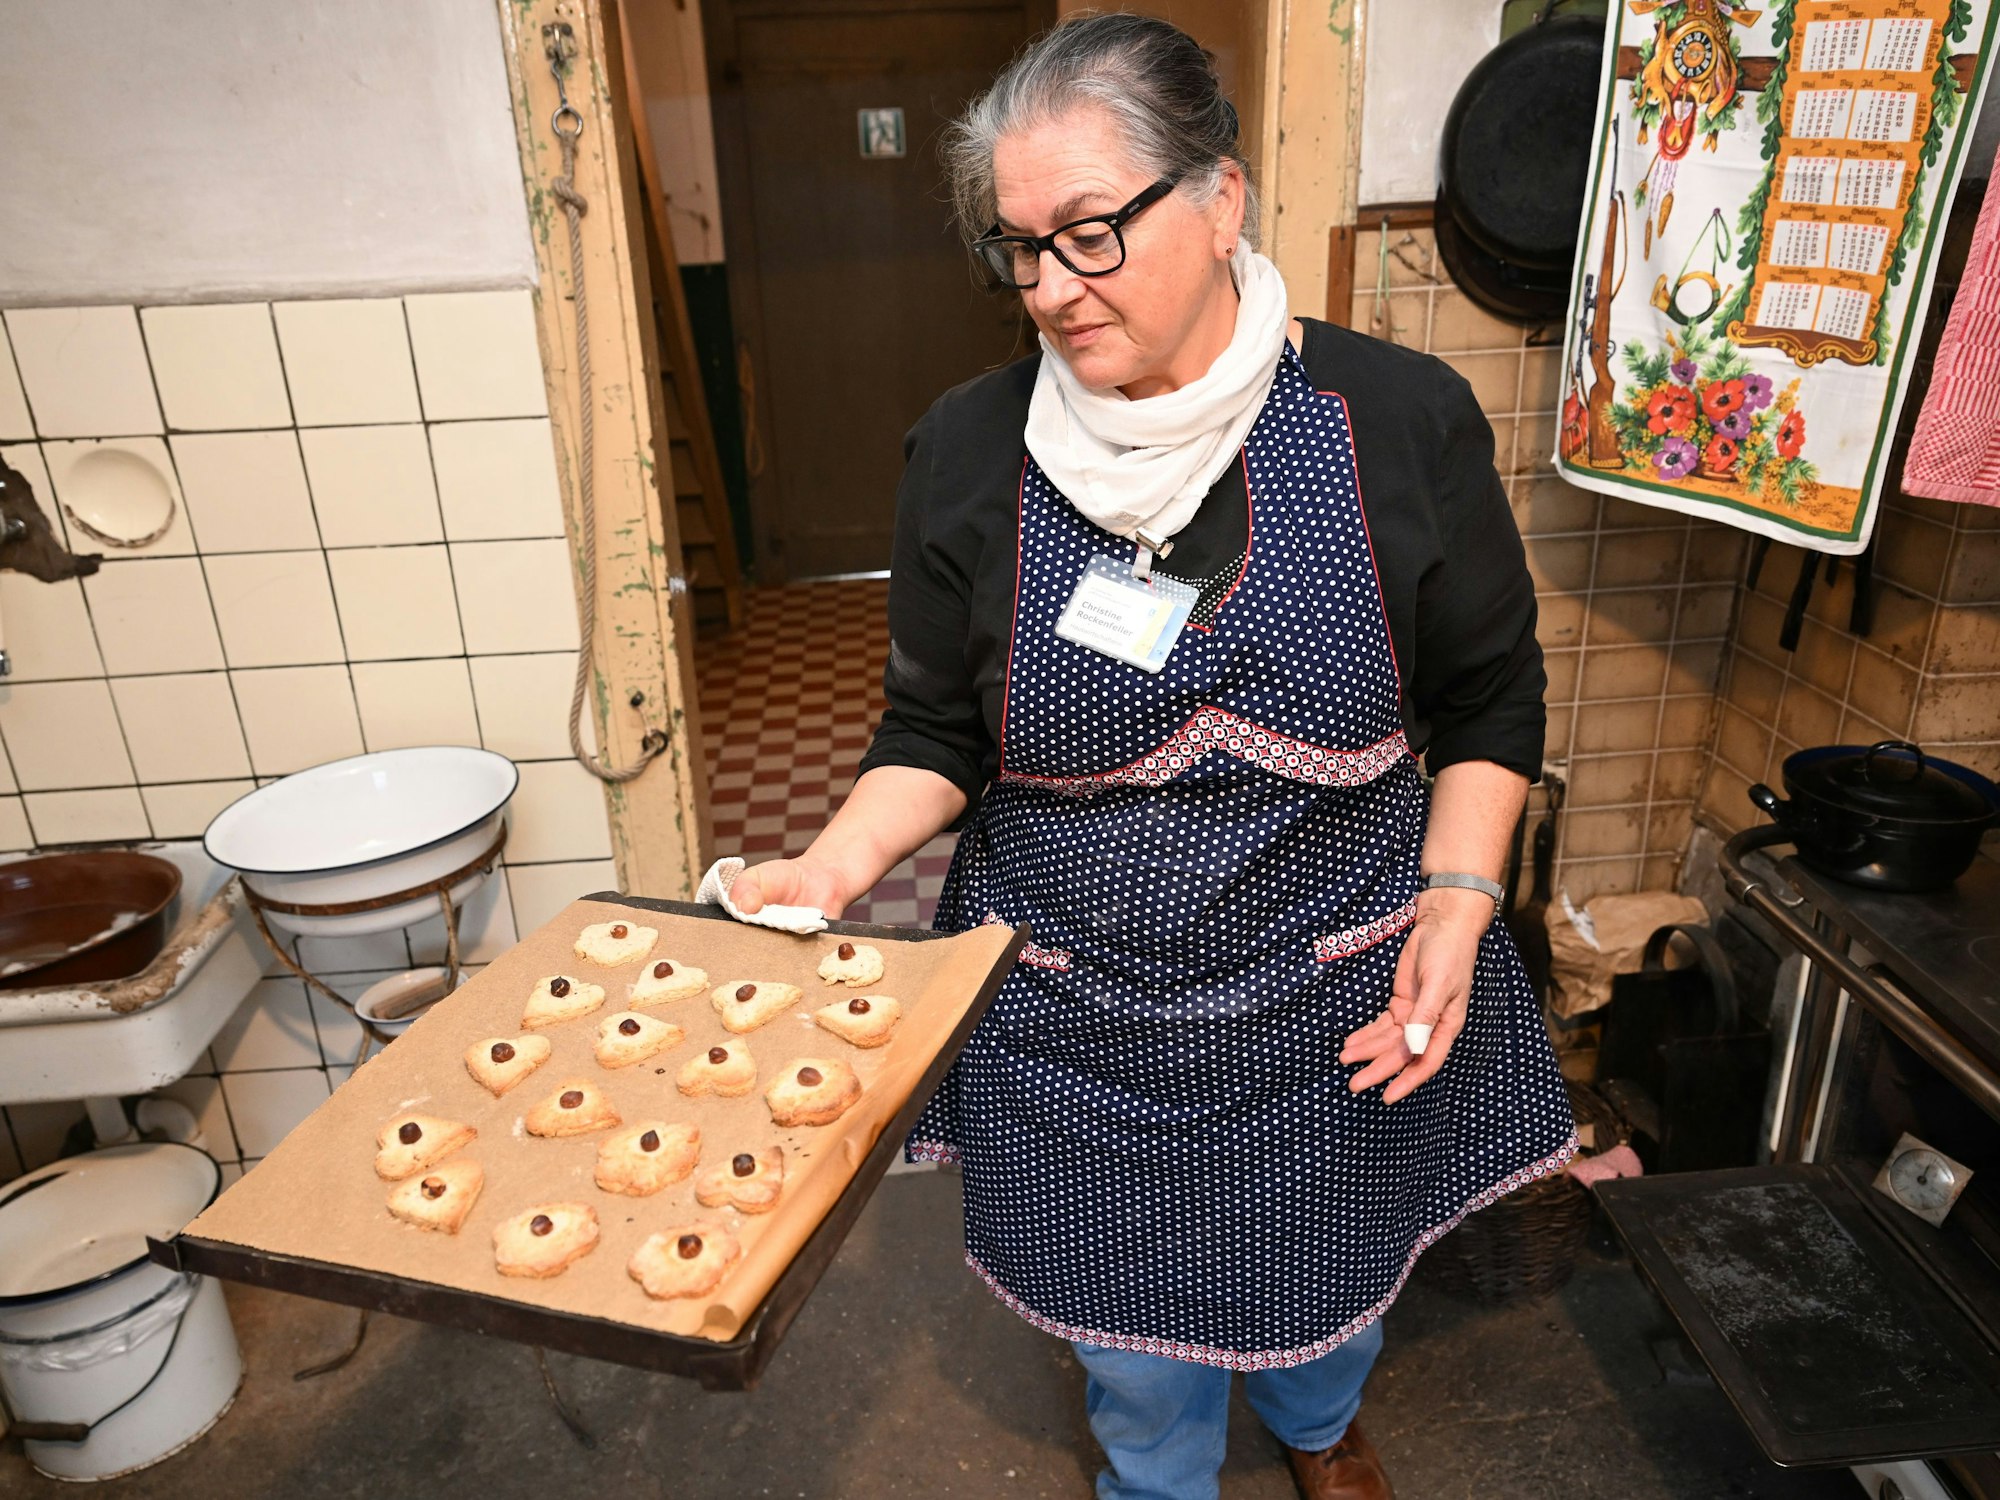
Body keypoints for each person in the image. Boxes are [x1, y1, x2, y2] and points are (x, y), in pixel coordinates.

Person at [733, 14, 1577, 1499]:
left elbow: (1493, 699)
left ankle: (1321, 1426)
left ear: (1222, 197)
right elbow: (933, 733)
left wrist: (1457, 900)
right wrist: (834, 865)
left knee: (1329, 1276)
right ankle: (1155, 1472)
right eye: (1017, 249)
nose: (1050, 290)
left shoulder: (1395, 423)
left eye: (1090, 236)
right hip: (1080, 1008)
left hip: (1335, 990)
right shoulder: (966, 454)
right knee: (1135, 1346)